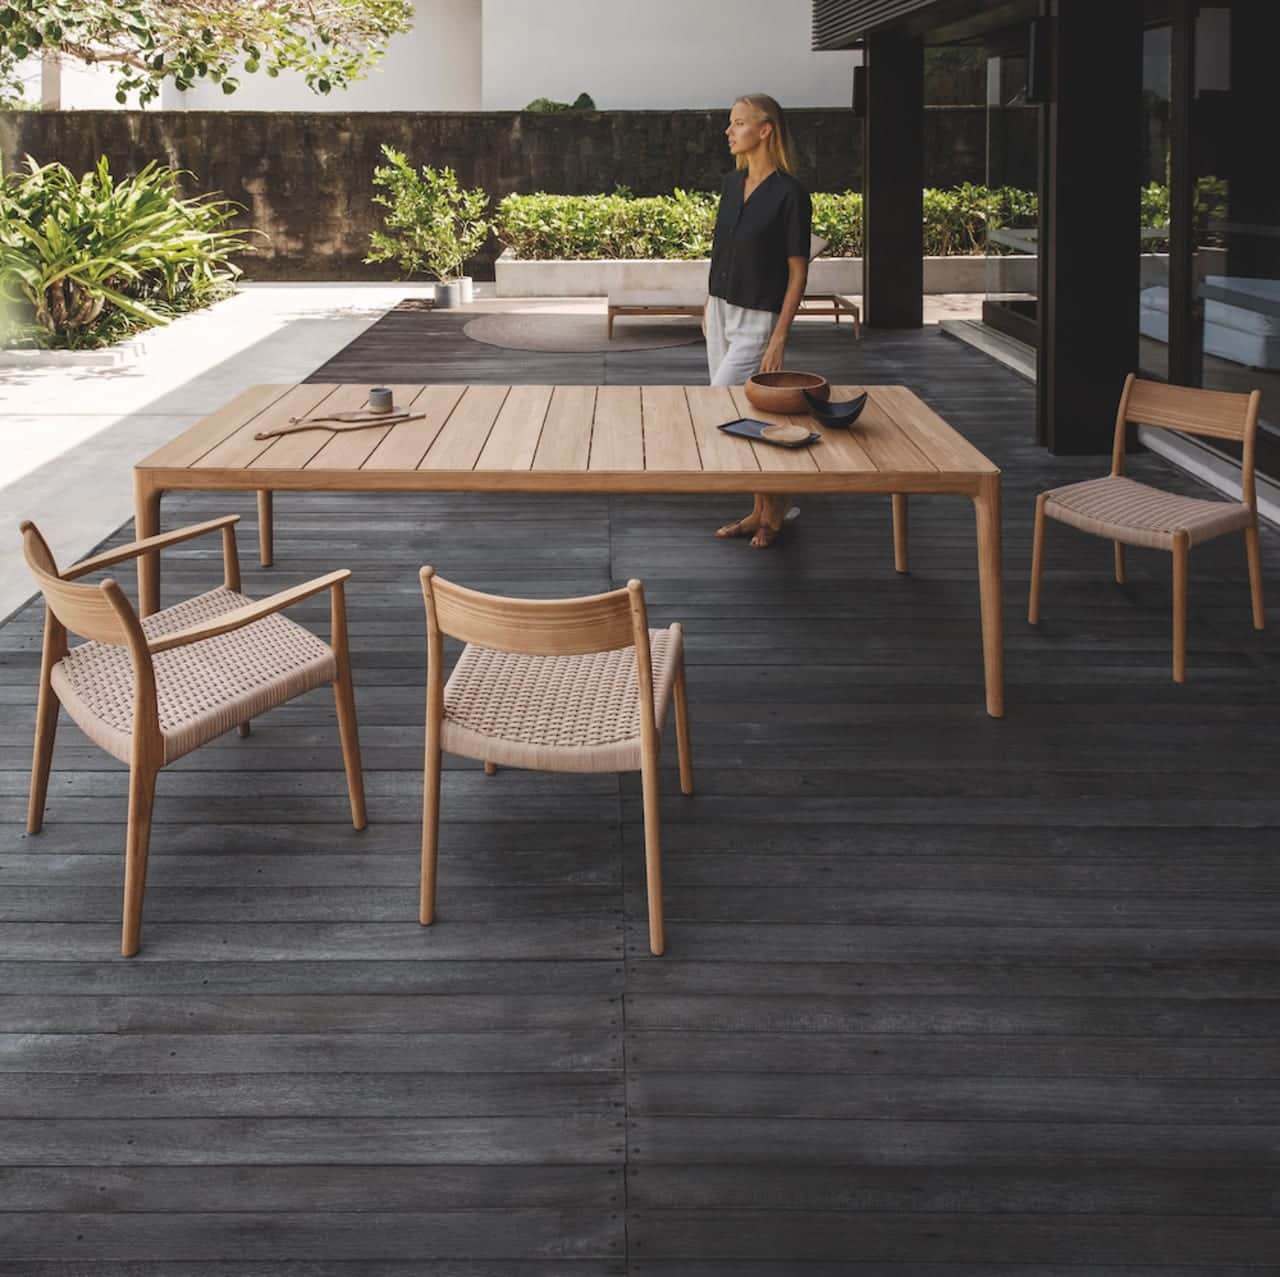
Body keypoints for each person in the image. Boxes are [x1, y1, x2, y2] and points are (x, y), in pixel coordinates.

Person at [706, 93, 812, 548]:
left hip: (757, 319)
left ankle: (778, 507)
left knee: (722, 405)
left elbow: (797, 269)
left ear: (764, 129)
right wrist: (706, 307)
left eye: (739, 123)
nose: (730, 131)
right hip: (719, 309)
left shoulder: (791, 194)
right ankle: (761, 511)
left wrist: (780, 335)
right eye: (731, 124)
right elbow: (723, 251)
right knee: (745, 414)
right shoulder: (732, 184)